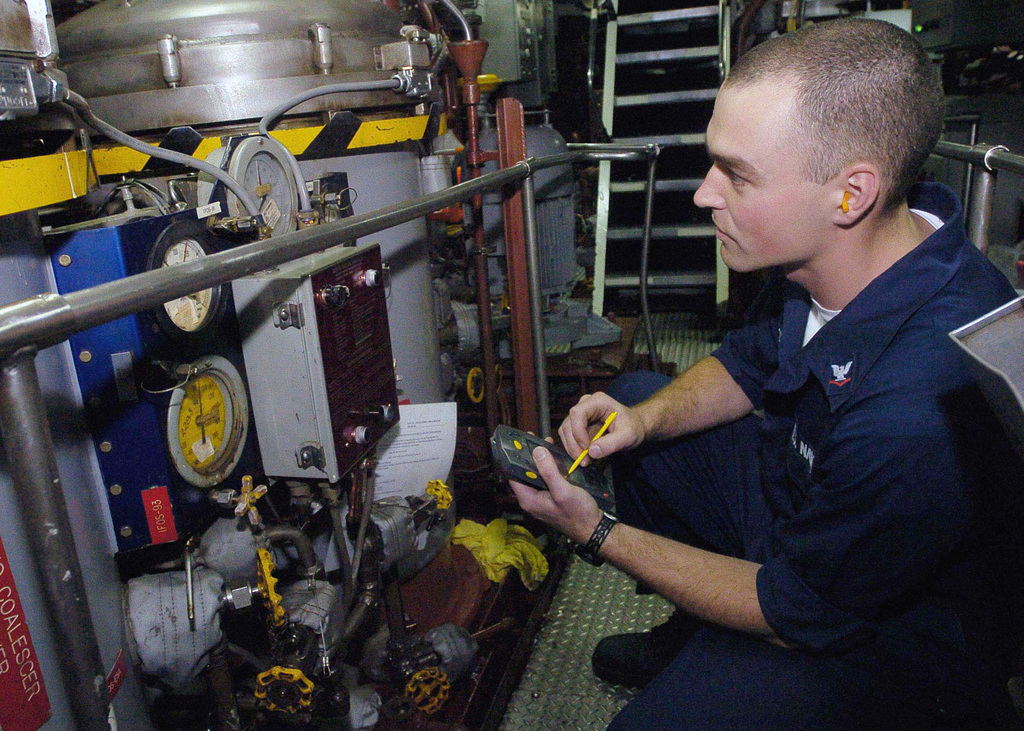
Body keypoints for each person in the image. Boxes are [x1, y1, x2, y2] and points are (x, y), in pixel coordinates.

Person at [510, 17, 1024, 728]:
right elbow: (749, 364)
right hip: (803, 505)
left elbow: (797, 609)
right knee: (633, 404)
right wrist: (644, 420)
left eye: (738, 175)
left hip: (889, 637)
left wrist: (596, 530)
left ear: (852, 193)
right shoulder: (836, 252)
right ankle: (700, 632)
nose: (703, 194)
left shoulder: (922, 402)